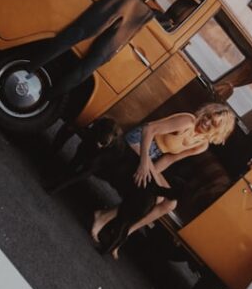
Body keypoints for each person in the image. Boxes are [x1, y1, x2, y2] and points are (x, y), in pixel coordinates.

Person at [29, 0, 198, 101]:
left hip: (120, 4)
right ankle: (46, 96)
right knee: (86, 67)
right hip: (125, 29)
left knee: (72, 36)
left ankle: (31, 71)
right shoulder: (158, 20)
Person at [90, 103, 236, 251]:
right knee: (154, 195)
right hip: (138, 142)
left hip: (152, 157)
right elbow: (149, 129)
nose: (207, 121)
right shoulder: (188, 121)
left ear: (218, 131)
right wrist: (144, 163)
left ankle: (123, 234)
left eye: (213, 123)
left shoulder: (201, 145)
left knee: (169, 203)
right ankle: (103, 217)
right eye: (209, 116)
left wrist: (150, 177)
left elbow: (169, 159)